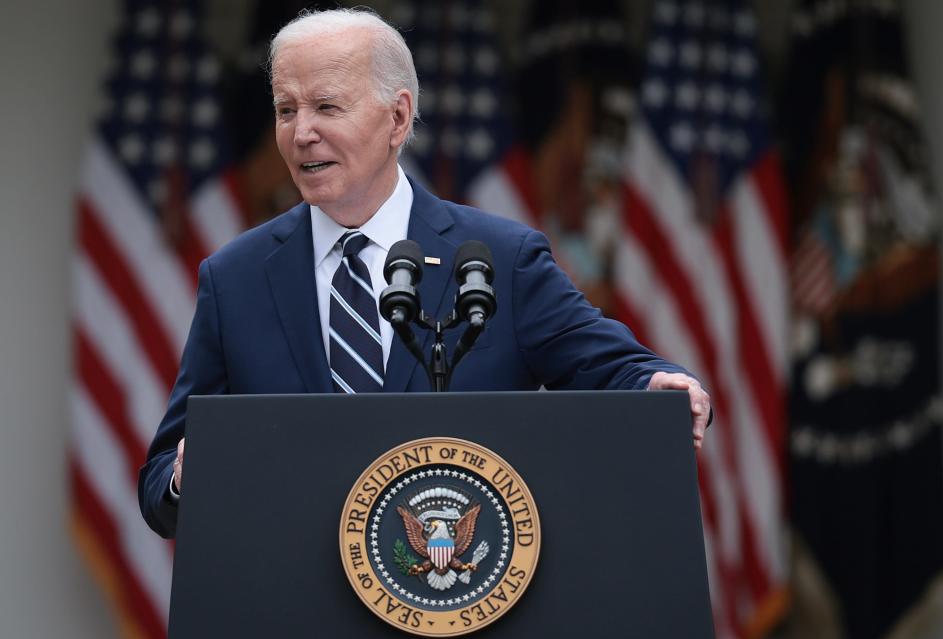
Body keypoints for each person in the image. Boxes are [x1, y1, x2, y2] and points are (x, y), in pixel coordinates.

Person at [138, 8, 711, 539]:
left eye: (327, 107)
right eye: (287, 110)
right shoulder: (236, 278)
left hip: (453, 582)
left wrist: (658, 387)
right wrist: (187, 476)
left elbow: (612, 366)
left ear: (398, 117)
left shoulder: (498, 259)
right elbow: (160, 481)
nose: (300, 132)